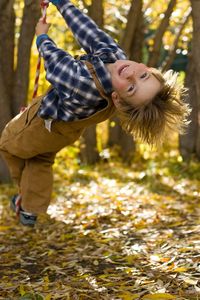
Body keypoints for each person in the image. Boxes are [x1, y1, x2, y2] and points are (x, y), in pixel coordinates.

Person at [0, 0, 190, 226]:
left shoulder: (85, 85)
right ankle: (30, 209)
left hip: (40, 123)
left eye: (131, 88)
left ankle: (24, 196)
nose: (131, 76)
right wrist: (62, 4)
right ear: (146, 67)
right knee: (41, 158)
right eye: (143, 76)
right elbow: (88, 31)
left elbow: (56, 64)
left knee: (8, 146)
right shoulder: (114, 55)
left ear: (117, 100)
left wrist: (42, 37)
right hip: (62, 131)